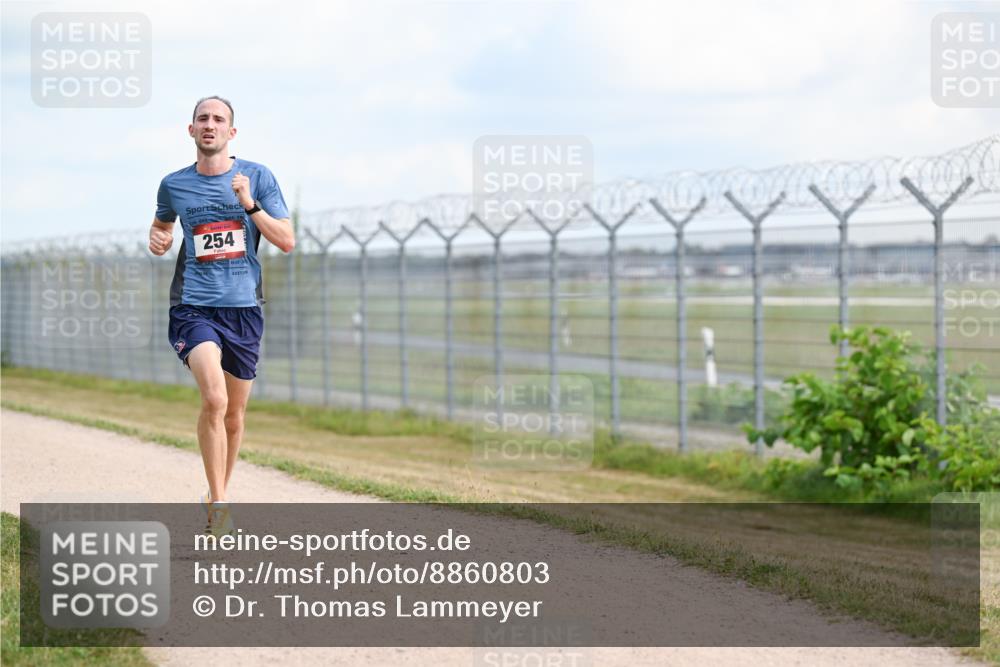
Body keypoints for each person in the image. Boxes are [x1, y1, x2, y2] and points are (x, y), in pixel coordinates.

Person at [148, 96, 295, 536]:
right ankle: (222, 508)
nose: (210, 125)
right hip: (193, 307)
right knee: (215, 399)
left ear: (232, 133)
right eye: (203, 119)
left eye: (219, 120)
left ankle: (215, 494)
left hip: (245, 310)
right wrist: (157, 237)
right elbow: (162, 225)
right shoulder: (173, 184)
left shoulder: (258, 177)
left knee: (234, 415)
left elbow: (286, 239)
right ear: (190, 130)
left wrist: (250, 204)